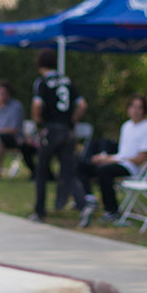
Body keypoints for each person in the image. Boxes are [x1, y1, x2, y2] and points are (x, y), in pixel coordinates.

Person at [29, 49, 94, 227]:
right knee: (68, 172)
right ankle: (83, 206)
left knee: (41, 170)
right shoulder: (67, 80)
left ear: (40, 64)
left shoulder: (42, 82)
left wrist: (39, 121)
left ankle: (39, 211)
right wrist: (71, 120)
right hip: (67, 131)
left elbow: (37, 105)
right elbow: (82, 105)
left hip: (51, 130)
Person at [79, 95, 147, 223]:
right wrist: (104, 157)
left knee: (104, 171)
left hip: (133, 168)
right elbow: (122, 154)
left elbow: (140, 159)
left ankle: (112, 211)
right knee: (83, 165)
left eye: (139, 107)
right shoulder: (126, 126)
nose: (135, 110)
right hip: (119, 162)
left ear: (144, 110)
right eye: (132, 106)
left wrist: (112, 160)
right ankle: (89, 199)